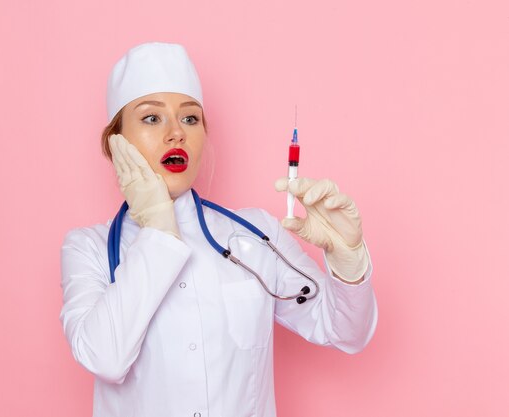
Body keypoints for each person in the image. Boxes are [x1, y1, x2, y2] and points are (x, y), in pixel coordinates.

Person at [59, 42, 378, 417]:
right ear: (116, 144)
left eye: (190, 118)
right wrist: (159, 230)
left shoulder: (255, 233)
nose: (176, 133)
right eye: (151, 118)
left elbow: (344, 331)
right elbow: (106, 359)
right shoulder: (88, 249)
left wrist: (348, 259)